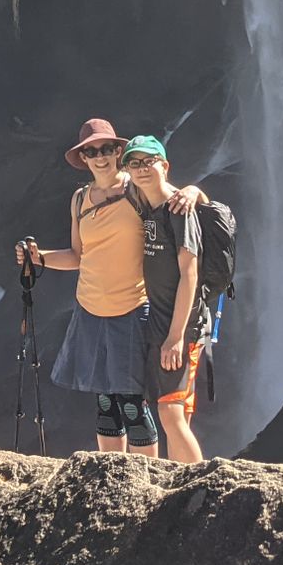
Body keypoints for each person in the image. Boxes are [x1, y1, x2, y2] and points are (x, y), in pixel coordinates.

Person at [13, 119, 205, 456]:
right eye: (91, 151)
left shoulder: (137, 189)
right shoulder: (79, 200)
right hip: (89, 310)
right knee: (105, 403)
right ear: (83, 157)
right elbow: (77, 256)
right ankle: (109, 475)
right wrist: (38, 258)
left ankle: (144, 483)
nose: (100, 156)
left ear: (118, 152)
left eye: (106, 149)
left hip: (132, 308)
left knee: (132, 404)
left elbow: (185, 200)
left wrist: (192, 190)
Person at [120, 134, 209, 463]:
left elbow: (190, 273)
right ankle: (180, 491)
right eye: (135, 163)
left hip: (181, 327)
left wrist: (174, 337)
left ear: (165, 165)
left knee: (170, 412)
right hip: (157, 321)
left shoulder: (179, 210)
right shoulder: (143, 202)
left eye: (149, 162)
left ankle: (204, 490)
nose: (142, 169)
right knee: (177, 414)